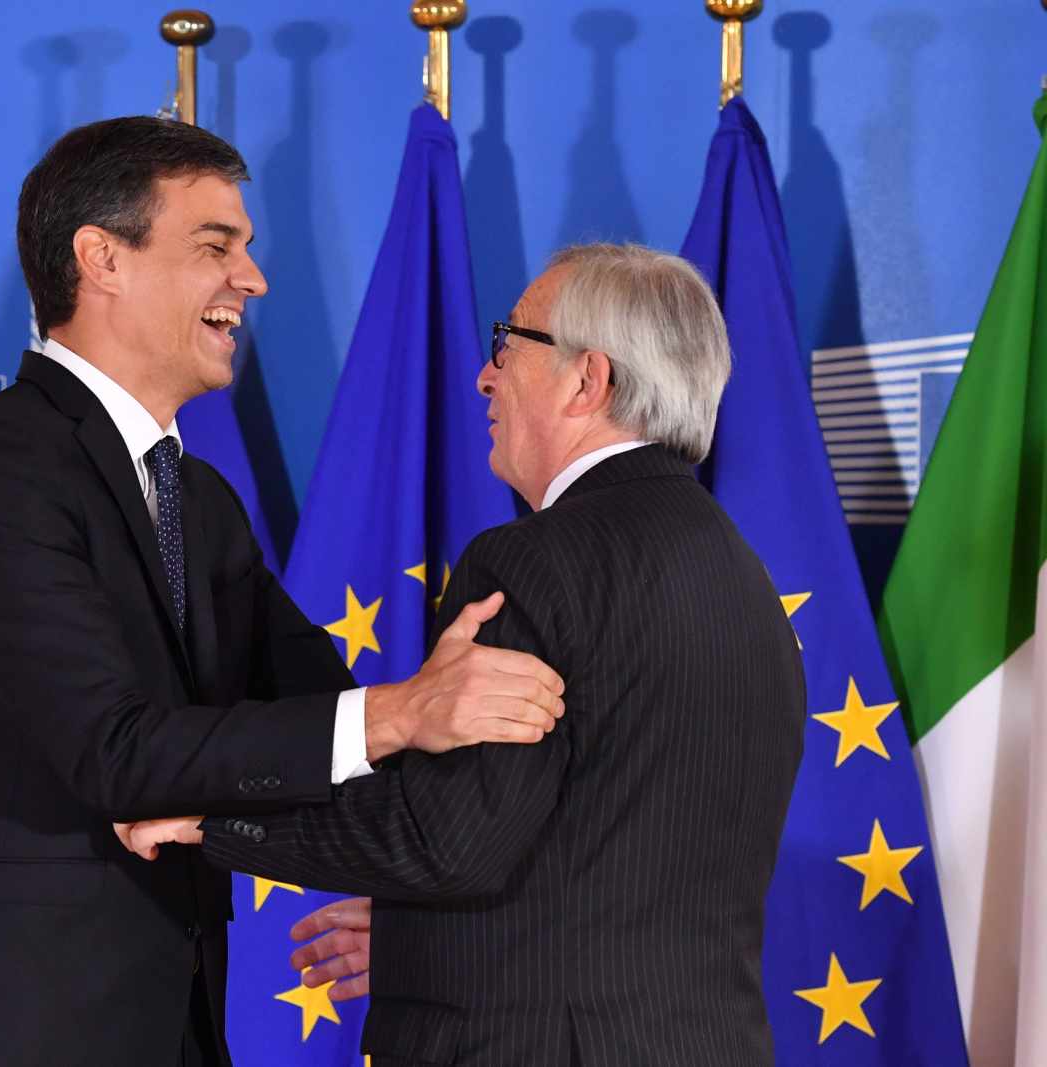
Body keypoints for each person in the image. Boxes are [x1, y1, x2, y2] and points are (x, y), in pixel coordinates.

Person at [0, 117, 567, 1067]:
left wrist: (438, 848)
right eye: (215, 245)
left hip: (181, 1029)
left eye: (247, 247)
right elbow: (117, 750)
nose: (253, 277)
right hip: (15, 1027)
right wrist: (400, 713)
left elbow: (322, 716)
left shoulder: (197, 498)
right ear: (101, 258)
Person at [120, 243, 807, 1066]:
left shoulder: (532, 562)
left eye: (506, 347)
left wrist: (211, 812)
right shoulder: (743, 578)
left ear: (589, 380)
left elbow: (444, 840)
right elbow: (607, 854)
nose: (485, 378)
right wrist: (423, 942)